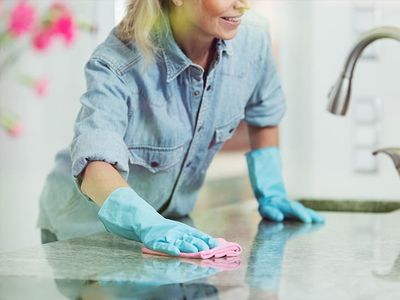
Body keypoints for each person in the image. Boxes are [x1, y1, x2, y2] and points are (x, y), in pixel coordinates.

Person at [37, 0, 324, 256]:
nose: (243, 4)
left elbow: (264, 112)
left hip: (170, 226)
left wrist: (271, 190)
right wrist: (146, 223)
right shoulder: (118, 62)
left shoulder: (252, 38)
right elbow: (94, 163)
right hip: (84, 231)